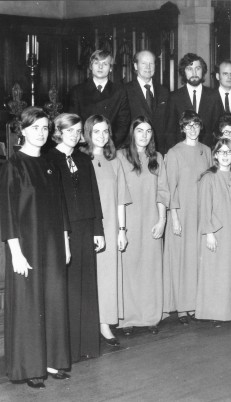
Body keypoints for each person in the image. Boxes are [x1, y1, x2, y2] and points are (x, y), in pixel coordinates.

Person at [0, 107, 71, 388]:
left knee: (53, 299)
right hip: (25, 245)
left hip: (53, 244)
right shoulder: (13, 165)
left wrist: (65, 242)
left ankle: (53, 360)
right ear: (23, 131)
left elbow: (61, 205)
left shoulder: (51, 163)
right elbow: (7, 213)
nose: (40, 133)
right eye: (35, 128)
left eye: (45, 128)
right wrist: (15, 252)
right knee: (29, 304)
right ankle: (30, 367)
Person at [45, 113, 104, 363]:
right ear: (58, 131)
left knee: (86, 287)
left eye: (79, 131)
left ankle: (86, 345)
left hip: (85, 229)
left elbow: (93, 195)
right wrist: (62, 233)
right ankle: (65, 349)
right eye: (70, 130)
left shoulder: (83, 158)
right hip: (62, 230)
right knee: (66, 288)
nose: (75, 135)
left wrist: (98, 230)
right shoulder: (49, 159)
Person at [81, 115, 132, 346]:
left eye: (105, 131)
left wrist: (122, 230)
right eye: (96, 132)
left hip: (111, 225)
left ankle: (104, 323)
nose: (101, 136)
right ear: (87, 134)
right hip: (89, 226)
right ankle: (87, 323)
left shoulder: (115, 160)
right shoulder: (82, 160)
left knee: (108, 276)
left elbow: (121, 199)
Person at [117, 116, 168, 335]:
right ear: (132, 132)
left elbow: (163, 190)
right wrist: (121, 227)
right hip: (128, 219)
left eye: (148, 131)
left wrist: (162, 220)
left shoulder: (157, 157)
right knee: (129, 269)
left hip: (151, 219)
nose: (144, 135)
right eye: (140, 130)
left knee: (150, 267)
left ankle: (149, 317)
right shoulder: (120, 156)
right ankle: (128, 319)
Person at [196, 139, 231, 326]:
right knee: (216, 273)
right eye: (221, 152)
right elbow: (205, 208)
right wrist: (209, 233)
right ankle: (215, 312)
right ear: (215, 155)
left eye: (229, 152)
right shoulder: (208, 178)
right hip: (218, 232)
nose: (225, 155)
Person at [163, 110, 212, 324]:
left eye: (196, 124)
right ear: (182, 128)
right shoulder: (174, 153)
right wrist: (174, 218)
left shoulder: (207, 151)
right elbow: (170, 187)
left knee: (198, 259)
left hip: (202, 212)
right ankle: (182, 308)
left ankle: (196, 304)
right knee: (182, 260)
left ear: (201, 127)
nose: (192, 129)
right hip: (182, 213)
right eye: (188, 125)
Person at [69, 49, 130, 147]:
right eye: (96, 63)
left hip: (110, 145)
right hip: (85, 145)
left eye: (105, 64)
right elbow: (74, 119)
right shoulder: (77, 91)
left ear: (110, 68)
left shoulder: (120, 91)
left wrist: (110, 143)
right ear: (90, 66)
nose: (100, 67)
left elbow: (123, 123)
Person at [165, 53, 218, 151]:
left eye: (198, 68)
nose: (194, 73)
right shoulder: (174, 97)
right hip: (182, 153)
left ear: (203, 71)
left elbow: (217, 129)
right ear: (183, 72)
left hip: (207, 152)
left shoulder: (213, 96)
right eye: (189, 69)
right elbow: (170, 131)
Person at [125, 50, 170, 154]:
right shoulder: (125, 91)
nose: (148, 67)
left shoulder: (164, 91)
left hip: (159, 151)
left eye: (151, 63)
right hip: (134, 151)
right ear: (135, 66)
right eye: (144, 63)